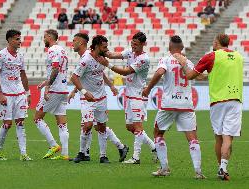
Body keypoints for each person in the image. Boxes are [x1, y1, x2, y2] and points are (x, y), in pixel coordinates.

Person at [173, 33, 243, 181]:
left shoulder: (211, 56)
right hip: (235, 100)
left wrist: (183, 62)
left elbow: (191, 75)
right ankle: (223, 168)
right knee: (228, 138)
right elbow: (213, 74)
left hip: (218, 101)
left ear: (217, 43)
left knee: (219, 138)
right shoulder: (239, 56)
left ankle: (221, 167)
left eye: (214, 41)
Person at [142, 35, 206, 179]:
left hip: (169, 104)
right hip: (186, 104)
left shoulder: (165, 59)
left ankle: (164, 168)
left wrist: (148, 89)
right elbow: (199, 76)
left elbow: (159, 72)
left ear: (170, 48)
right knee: (192, 138)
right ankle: (198, 172)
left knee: (158, 133)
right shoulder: (187, 62)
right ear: (182, 48)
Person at [98, 32, 157, 164]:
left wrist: (107, 65)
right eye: (132, 43)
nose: (133, 46)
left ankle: (136, 157)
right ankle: (154, 147)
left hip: (138, 96)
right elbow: (112, 55)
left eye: (136, 44)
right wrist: (100, 48)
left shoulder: (144, 59)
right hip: (129, 95)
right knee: (130, 127)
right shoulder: (130, 52)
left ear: (143, 44)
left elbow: (126, 72)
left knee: (137, 126)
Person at [70, 35, 129, 163]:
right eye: (104, 47)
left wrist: (111, 86)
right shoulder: (85, 59)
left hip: (101, 97)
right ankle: (81, 152)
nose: (107, 49)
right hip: (88, 99)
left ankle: (103, 156)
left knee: (102, 126)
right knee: (88, 125)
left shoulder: (102, 58)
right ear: (96, 46)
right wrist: (84, 92)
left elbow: (100, 74)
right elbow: (74, 77)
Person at [0, 29, 32, 161]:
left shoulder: (20, 56)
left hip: (20, 93)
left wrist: (28, 93)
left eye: (19, 39)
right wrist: (0, 94)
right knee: (7, 124)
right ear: (9, 40)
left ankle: (23, 153)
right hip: (7, 94)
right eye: (16, 39)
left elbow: (23, 75)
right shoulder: (1, 55)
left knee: (20, 122)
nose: (19, 41)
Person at [34, 29, 69, 160]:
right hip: (63, 89)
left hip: (54, 90)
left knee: (37, 118)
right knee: (62, 123)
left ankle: (53, 145)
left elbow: (55, 68)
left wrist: (48, 87)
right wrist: (46, 82)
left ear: (49, 37)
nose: (43, 40)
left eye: (44, 37)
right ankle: (65, 154)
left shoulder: (53, 50)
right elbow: (58, 70)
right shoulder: (62, 50)